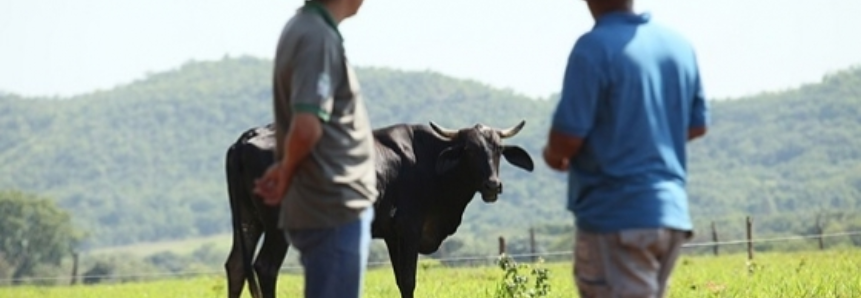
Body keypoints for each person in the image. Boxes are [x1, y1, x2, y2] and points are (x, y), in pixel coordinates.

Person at [541, 0, 709, 297]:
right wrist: (646, 137)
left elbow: (566, 139)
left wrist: (552, 156)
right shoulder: (678, 45)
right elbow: (697, 125)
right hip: (670, 215)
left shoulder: (593, 48)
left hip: (617, 217)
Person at [253, 0, 377, 297]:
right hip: (333, 207)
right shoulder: (316, 37)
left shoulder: (306, 28)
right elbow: (307, 126)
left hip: (328, 208)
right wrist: (285, 170)